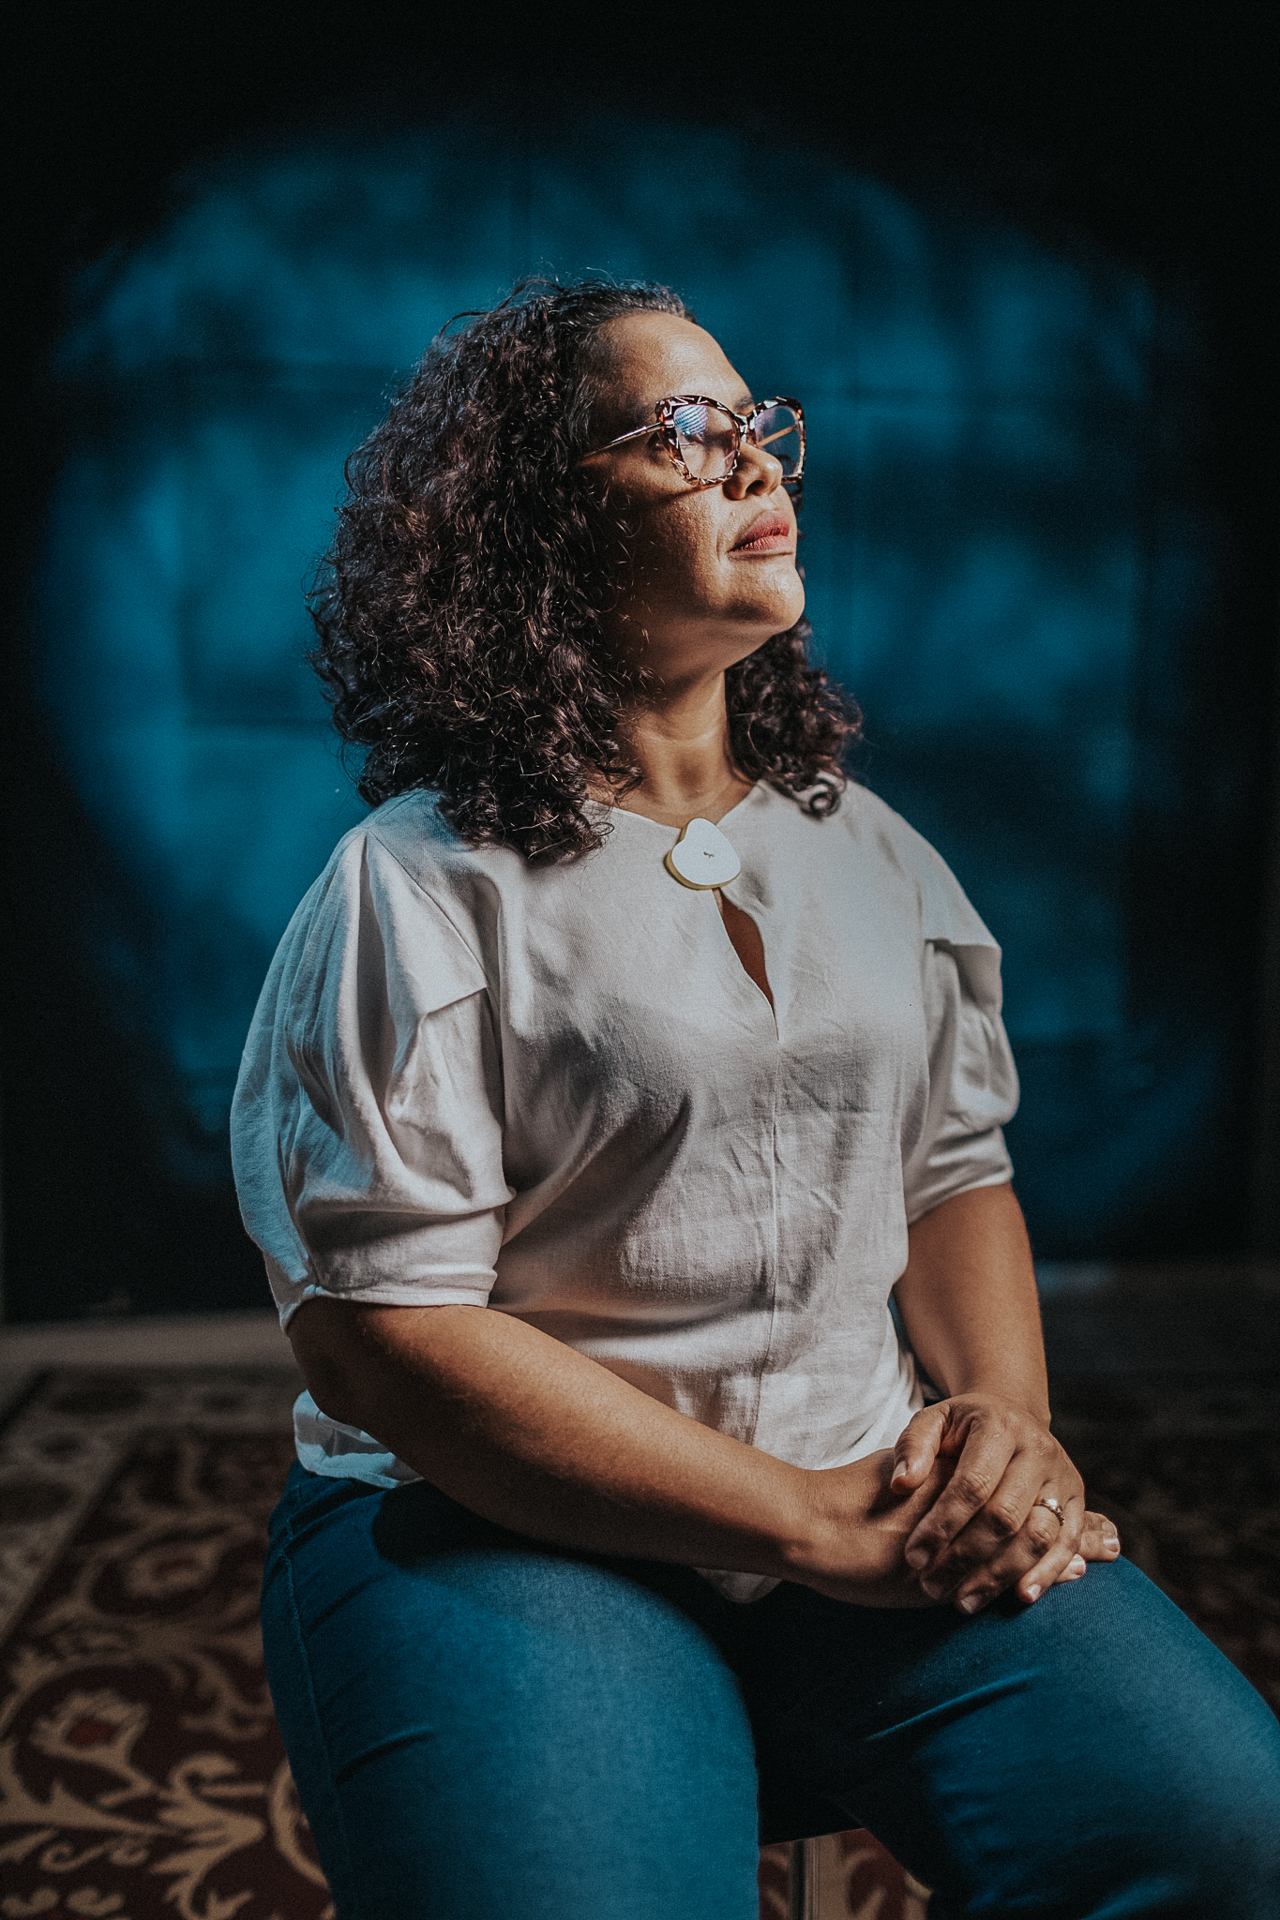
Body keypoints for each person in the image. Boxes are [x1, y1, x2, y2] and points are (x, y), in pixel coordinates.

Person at [231, 280, 1280, 1920]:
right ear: (534, 520)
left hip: (864, 1484)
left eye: (758, 423)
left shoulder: (870, 847)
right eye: (682, 431)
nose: (753, 462)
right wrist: (801, 1525)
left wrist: (1008, 1421)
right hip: (505, 1522)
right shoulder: (415, 885)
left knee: (1234, 1839)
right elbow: (385, 1336)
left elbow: (952, 1173)